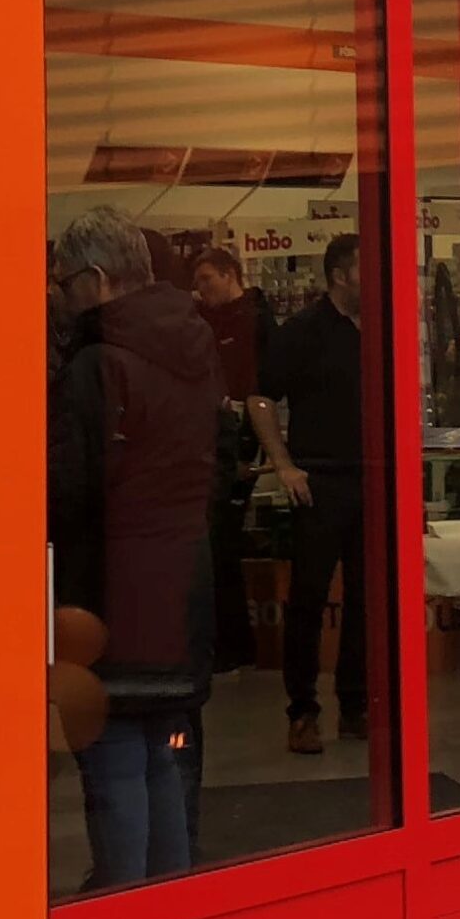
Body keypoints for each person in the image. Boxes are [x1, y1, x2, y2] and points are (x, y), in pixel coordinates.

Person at [46, 208, 222, 891]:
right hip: (181, 582)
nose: (60, 297)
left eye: (64, 283)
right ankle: (167, 909)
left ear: (95, 280)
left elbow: (69, 488)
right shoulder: (193, 345)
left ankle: (122, 912)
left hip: (112, 588)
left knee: (114, 754)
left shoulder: (98, 364)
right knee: (163, 752)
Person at [252, 231, 371, 754]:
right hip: (318, 481)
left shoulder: (383, 330)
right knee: (309, 598)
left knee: (368, 598)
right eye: (366, 269)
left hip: (372, 478)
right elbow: (260, 398)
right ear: (340, 275)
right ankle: (302, 710)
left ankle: (356, 704)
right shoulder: (302, 331)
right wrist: (284, 465)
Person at [189, 243, 264, 672]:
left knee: (223, 546)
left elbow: (258, 390)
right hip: (219, 441)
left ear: (229, 274)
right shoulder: (206, 322)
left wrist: (249, 448)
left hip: (242, 444)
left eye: (207, 279)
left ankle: (234, 645)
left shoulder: (255, 321)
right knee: (219, 546)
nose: (202, 289)